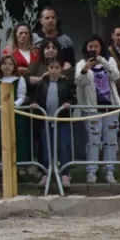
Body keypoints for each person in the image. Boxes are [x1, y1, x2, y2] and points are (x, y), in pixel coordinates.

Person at [75, 35, 120, 184]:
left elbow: (116, 76)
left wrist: (102, 61)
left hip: (110, 107)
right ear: (86, 48)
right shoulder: (82, 63)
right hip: (92, 108)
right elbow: (78, 81)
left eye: (96, 46)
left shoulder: (109, 60)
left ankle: (109, 171)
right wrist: (84, 70)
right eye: (90, 47)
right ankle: (91, 172)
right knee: (93, 140)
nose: (93, 49)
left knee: (110, 140)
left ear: (101, 47)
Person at [31, 59, 77, 187]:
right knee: (46, 148)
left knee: (63, 146)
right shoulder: (42, 83)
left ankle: (65, 174)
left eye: (57, 68)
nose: (54, 70)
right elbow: (35, 97)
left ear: (61, 69)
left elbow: (73, 97)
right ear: (48, 69)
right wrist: (34, 103)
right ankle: (46, 173)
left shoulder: (66, 83)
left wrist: (70, 103)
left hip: (62, 120)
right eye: (51, 67)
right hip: (46, 120)